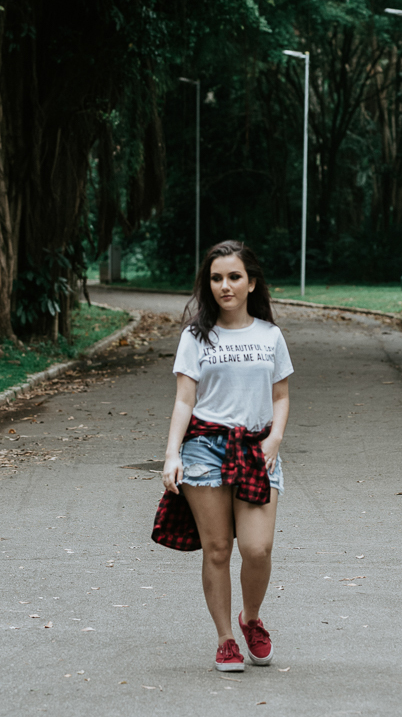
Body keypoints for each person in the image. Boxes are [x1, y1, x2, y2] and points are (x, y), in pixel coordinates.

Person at [152, 240, 293, 672]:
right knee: (216, 550)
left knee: (257, 549)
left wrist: (274, 441)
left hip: (255, 449)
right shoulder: (195, 336)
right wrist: (172, 454)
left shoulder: (269, 335)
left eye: (234, 277)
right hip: (204, 450)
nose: (225, 286)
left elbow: (281, 395)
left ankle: (250, 619)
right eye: (216, 278)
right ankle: (225, 639)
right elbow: (184, 400)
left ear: (251, 282)